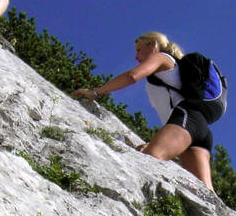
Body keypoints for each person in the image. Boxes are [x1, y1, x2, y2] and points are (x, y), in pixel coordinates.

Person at [73, 32, 215, 191]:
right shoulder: (173, 71)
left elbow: (133, 76)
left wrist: (96, 92)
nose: (136, 56)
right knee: (205, 194)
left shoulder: (162, 57)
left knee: (149, 159)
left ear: (153, 44)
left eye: (139, 50)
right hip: (197, 128)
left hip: (187, 121)